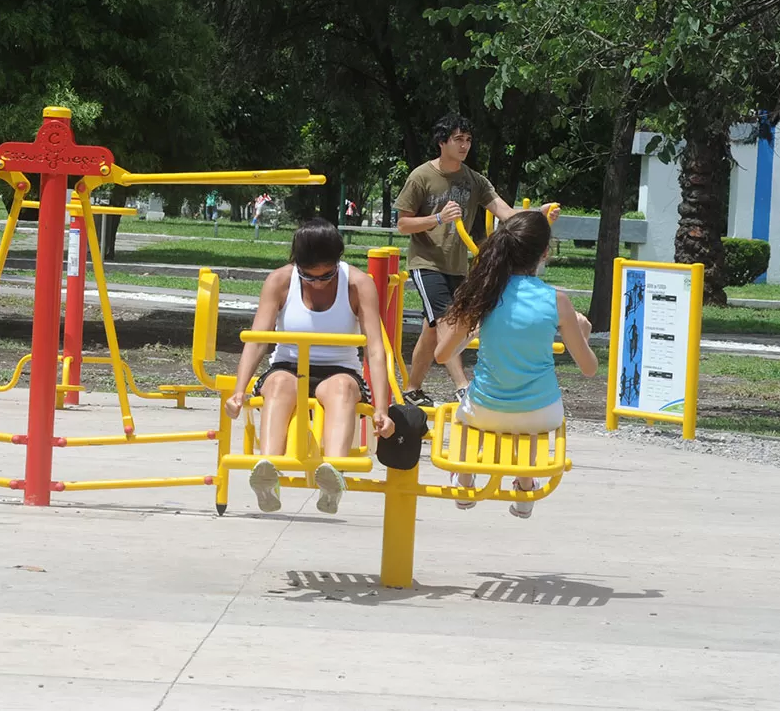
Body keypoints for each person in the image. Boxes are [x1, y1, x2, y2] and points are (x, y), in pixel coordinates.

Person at [224, 219, 394, 515]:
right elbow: (257, 340)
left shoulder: (357, 284)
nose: (317, 283)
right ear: (296, 264)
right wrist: (239, 391)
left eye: (327, 275)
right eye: (308, 276)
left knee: (342, 389)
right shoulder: (279, 281)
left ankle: (334, 474)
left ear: (338, 262)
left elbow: (376, 349)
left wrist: (382, 407)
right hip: (288, 365)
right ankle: (268, 471)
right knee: (279, 384)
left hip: (339, 368)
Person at [434, 210, 596, 518]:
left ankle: (465, 479)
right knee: (528, 410)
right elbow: (589, 368)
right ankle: (525, 485)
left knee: (467, 412)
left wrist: (472, 332)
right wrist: (583, 333)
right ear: (544, 253)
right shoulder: (558, 301)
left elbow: (442, 355)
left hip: (485, 411)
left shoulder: (485, 293)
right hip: (541, 413)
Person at [394, 113, 551, 407]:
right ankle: (463, 386)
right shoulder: (420, 177)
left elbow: (506, 213)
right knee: (448, 321)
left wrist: (538, 216)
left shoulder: (474, 180)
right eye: (458, 139)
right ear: (442, 142)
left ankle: (412, 390)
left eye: (468, 140)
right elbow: (402, 224)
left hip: (457, 265)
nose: (465, 145)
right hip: (426, 263)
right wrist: (437, 218)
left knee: (433, 329)